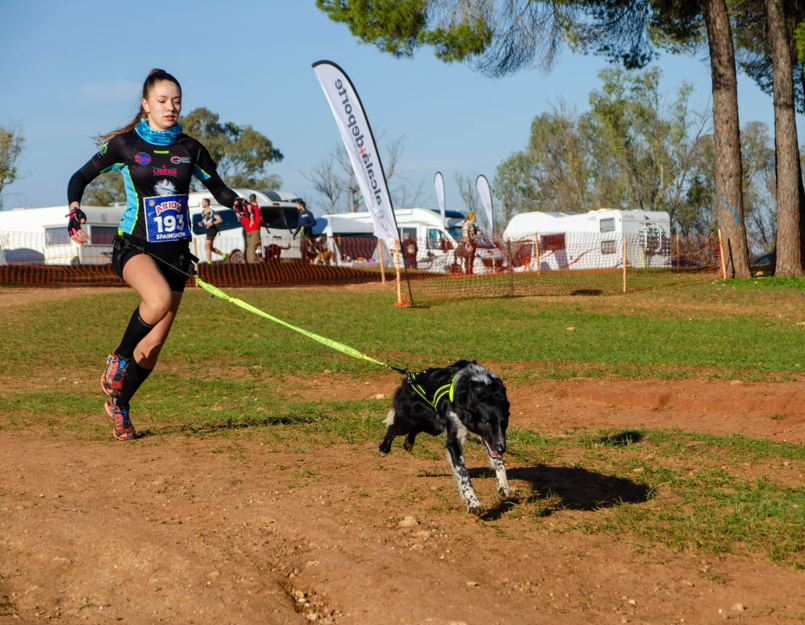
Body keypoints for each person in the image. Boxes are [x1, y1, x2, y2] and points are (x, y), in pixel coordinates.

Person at [66, 68, 246, 441]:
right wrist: (74, 209)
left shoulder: (191, 149)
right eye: (162, 101)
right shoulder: (125, 145)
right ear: (146, 104)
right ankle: (118, 358)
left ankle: (119, 403)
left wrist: (237, 202)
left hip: (176, 255)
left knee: (152, 348)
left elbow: (219, 189)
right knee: (158, 299)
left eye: (176, 101)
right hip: (135, 246)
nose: (171, 107)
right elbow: (79, 177)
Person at [234, 193, 262, 263]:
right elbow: (258, 220)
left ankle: (249, 260)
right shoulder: (255, 208)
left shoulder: (245, 208)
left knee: (249, 246)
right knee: (253, 246)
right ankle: (252, 261)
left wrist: (248, 225)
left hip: (248, 229)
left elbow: (243, 219)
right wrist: (260, 224)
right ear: (256, 199)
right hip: (255, 229)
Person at [197, 198, 226, 263]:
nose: (202, 203)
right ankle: (224, 255)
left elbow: (220, 220)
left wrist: (212, 223)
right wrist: (201, 223)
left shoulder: (212, 211)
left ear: (207, 203)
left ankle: (209, 262)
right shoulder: (203, 212)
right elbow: (204, 220)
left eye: (203, 202)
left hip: (212, 230)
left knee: (207, 246)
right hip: (207, 230)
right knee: (210, 247)